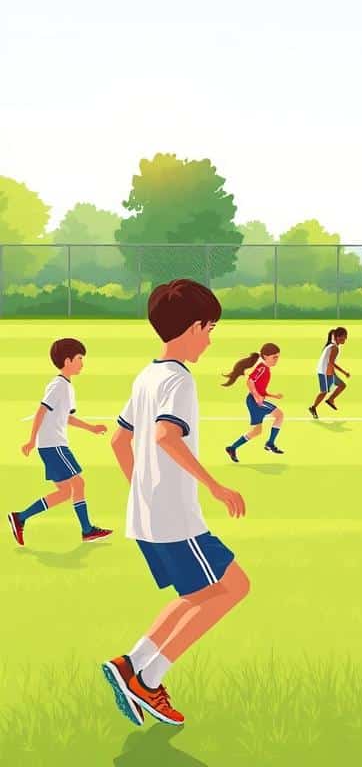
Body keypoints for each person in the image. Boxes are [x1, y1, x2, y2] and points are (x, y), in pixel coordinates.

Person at [102, 279, 249, 727]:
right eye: (209, 329)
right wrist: (215, 486)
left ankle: (131, 664)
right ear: (192, 327)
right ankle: (149, 680)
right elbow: (166, 436)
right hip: (176, 519)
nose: (209, 339)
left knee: (197, 594)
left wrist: (140, 490)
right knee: (234, 587)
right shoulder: (179, 381)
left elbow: (118, 440)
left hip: (147, 516)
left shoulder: (147, 376)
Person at [7, 338, 111, 546]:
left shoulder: (67, 387)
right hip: (53, 445)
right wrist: (31, 440)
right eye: (80, 358)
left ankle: (20, 518)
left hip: (53, 445)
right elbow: (41, 411)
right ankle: (87, 530)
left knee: (65, 492)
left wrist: (91, 428)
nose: (83, 363)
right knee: (78, 483)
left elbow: (66, 417)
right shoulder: (58, 386)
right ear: (67, 360)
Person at [224, 343, 285, 462]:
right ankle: (270, 444)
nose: (276, 360)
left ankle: (232, 447)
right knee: (279, 415)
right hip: (254, 401)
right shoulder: (262, 368)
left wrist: (273, 395)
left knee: (257, 431)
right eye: (274, 357)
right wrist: (257, 396)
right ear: (265, 356)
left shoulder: (265, 368)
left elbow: (260, 387)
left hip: (253, 400)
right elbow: (250, 381)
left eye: (278, 357)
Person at [309, 327, 350, 419]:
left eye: (345, 337)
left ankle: (330, 399)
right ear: (337, 337)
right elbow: (331, 362)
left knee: (342, 385)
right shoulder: (334, 348)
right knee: (324, 392)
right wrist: (344, 372)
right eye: (343, 337)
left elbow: (329, 362)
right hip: (324, 373)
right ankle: (313, 407)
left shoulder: (333, 345)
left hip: (329, 372)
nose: (345, 339)